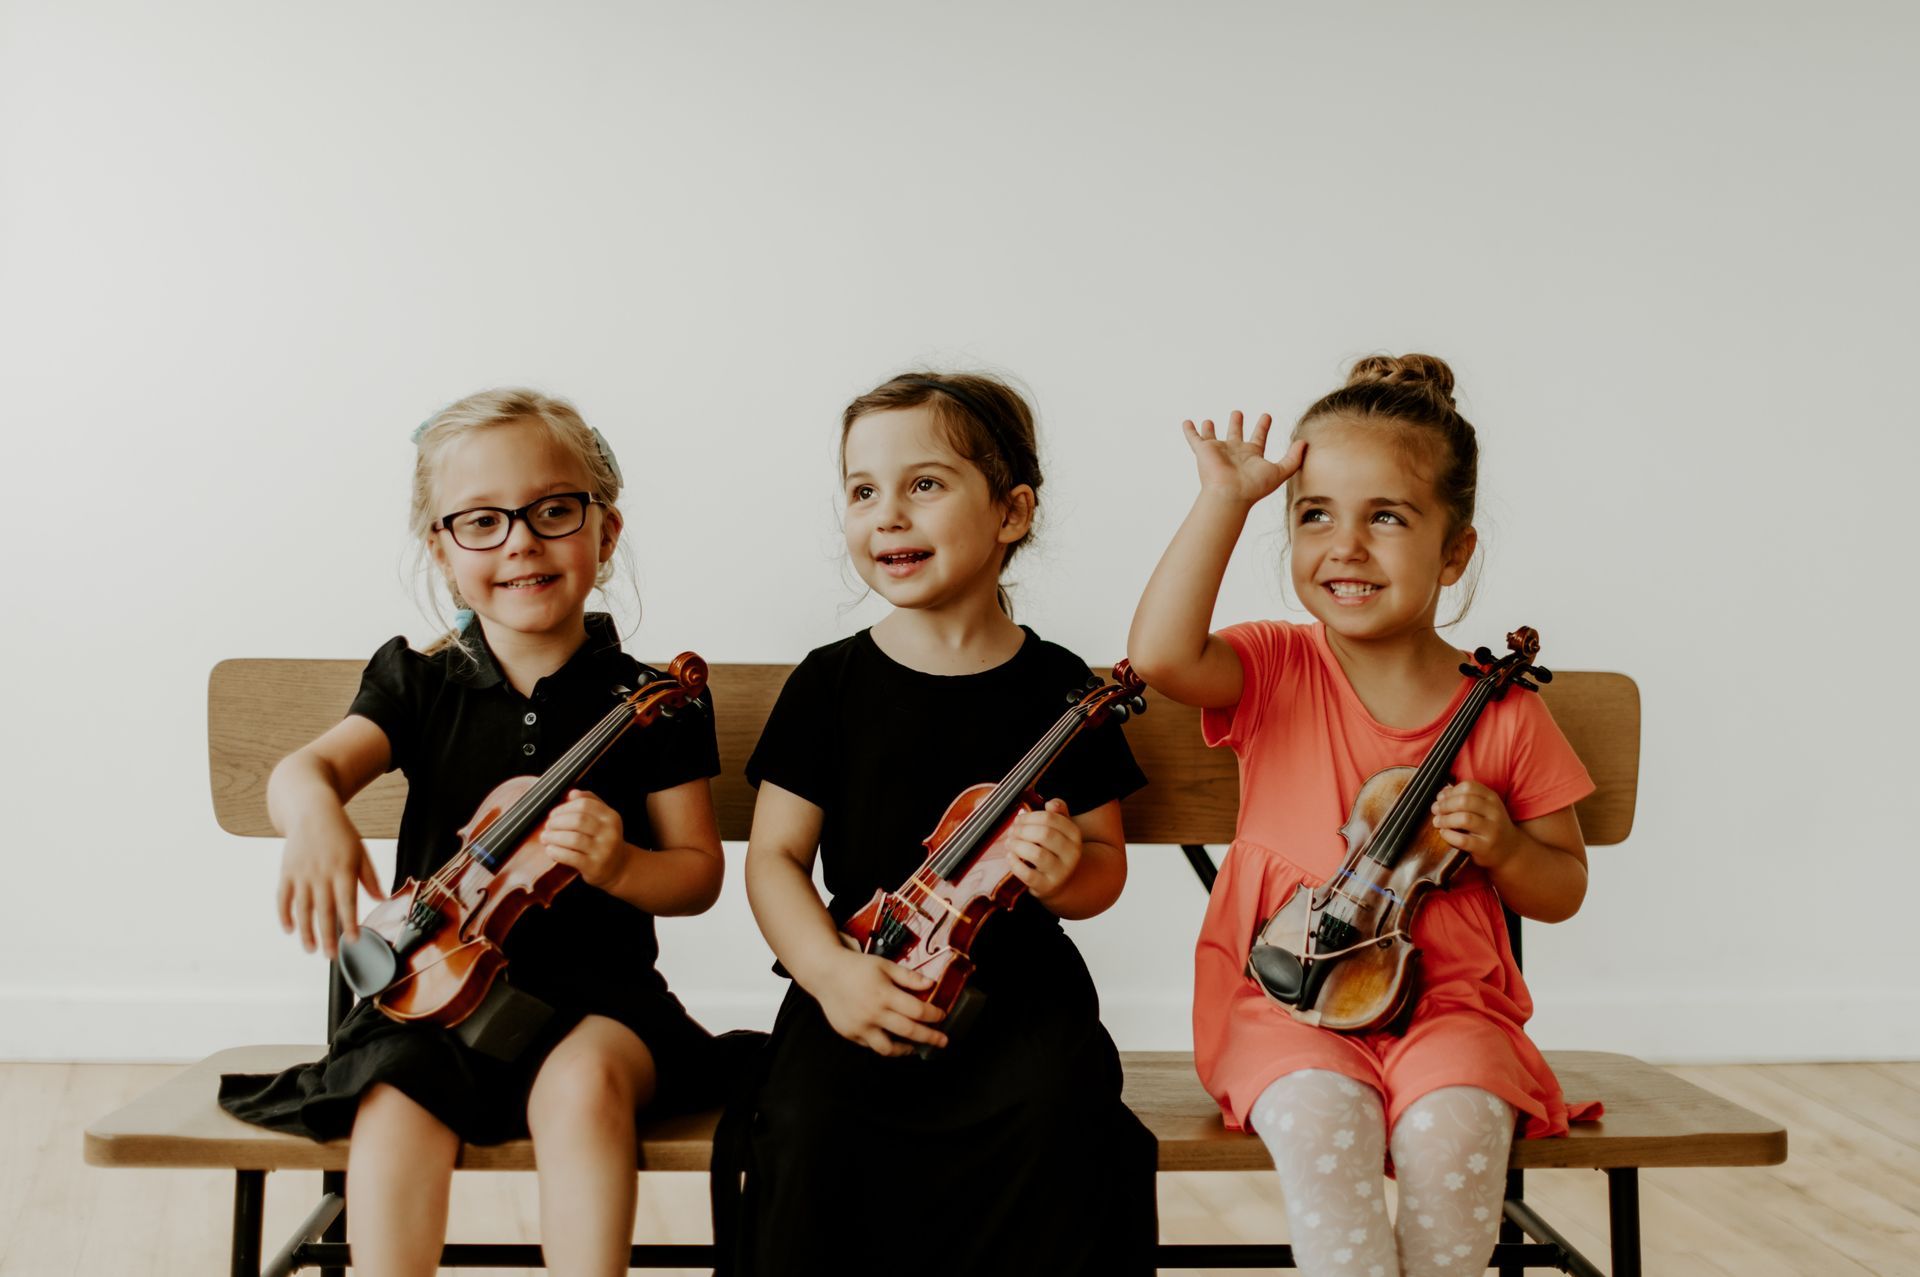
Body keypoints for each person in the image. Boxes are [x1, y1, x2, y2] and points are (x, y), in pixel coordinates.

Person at [219, 388, 728, 1277]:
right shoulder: (419, 682)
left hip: (598, 998)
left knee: (585, 1083)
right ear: (442, 548)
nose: (521, 540)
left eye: (554, 511)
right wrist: (314, 816)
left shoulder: (650, 700)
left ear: (605, 532)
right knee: (394, 1099)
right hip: (430, 991)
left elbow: (695, 874)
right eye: (482, 520)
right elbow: (306, 771)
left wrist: (621, 864)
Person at [1128, 354, 1596, 1277]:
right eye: (1314, 515)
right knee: (1319, 1125)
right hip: (1284, 995)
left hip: (1452, 1005)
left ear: (1454, 550)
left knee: (1452, 1133)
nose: (1345, 545)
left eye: (1386, 516)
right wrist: (1226, 501)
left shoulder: (1505, 711)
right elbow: (1157, 654)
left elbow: (1563, 886)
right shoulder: (1275, 669)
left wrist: (1502, 845)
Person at [712, 372, 1157, 1275]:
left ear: (1012, 512)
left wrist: (1068, 867)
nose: (888, 515)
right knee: (805, 1124)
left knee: (1062, 1114)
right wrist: (831, 973)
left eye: (924, 484)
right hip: (862, 974)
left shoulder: (1063, 689)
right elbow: (776, 858)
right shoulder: (830, 682)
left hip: (1021, 988)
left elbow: (1104, 869)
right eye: (862, 490)